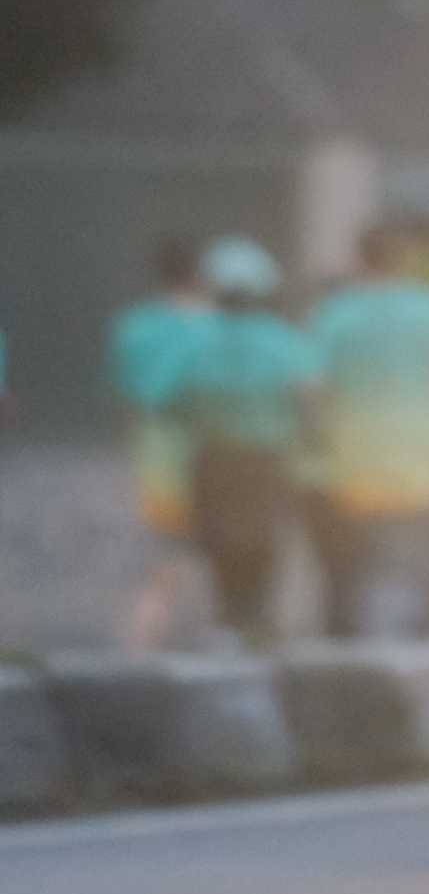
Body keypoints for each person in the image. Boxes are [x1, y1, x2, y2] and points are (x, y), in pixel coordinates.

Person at [305, 224, 429, 638]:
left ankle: (354, 649)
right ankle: (409, 650)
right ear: (406, 260)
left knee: (354, 572)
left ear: (358, 261)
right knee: (413, 567)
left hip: (350, 469)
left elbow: (308, 387)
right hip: (422, 471)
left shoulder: (334, 314)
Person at [169, 238, 325, 643]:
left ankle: (230, 620)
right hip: (268, 459)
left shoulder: (195, 341)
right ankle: (256, 620)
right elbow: (309, 401)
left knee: (220, 543)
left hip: (214, 457)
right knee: (264, 540)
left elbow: (176, 402)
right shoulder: (285, 341)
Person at [104, 235, 217, 645]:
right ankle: (208, 641)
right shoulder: (215, 325)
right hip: (212, 455)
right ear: (200, 274)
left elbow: (124, 393)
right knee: (211, 560)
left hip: (154, 452)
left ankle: (143, 637)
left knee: (163, 554)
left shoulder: (132, 326)